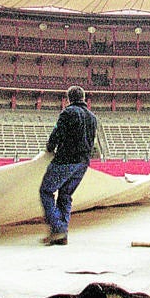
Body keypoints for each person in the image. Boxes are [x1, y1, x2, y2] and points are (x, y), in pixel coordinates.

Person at [39, 85, 98, 246]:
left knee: (46, 190)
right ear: (84, 98)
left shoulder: (68, 113)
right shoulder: (92, 117)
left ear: (68, 99)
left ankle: (58, 229)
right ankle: (62, 233)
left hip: (66, 160)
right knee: (65, 195)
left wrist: (50, 148)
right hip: (83, 163)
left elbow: (57, 134)